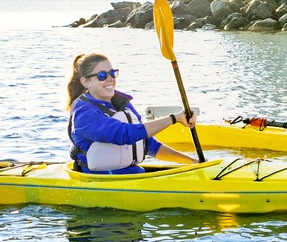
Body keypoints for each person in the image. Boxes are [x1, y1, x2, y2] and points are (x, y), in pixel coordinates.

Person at [64, 52, 196, 174]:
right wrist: (174, 118)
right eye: (102, 75)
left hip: (132, 174)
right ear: (86, 82)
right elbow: (124, 134)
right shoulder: (84, 113)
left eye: (112, 73)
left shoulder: (122, 104)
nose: (110, 79)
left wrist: (193, 163)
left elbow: (149, 144)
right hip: (102, 180)